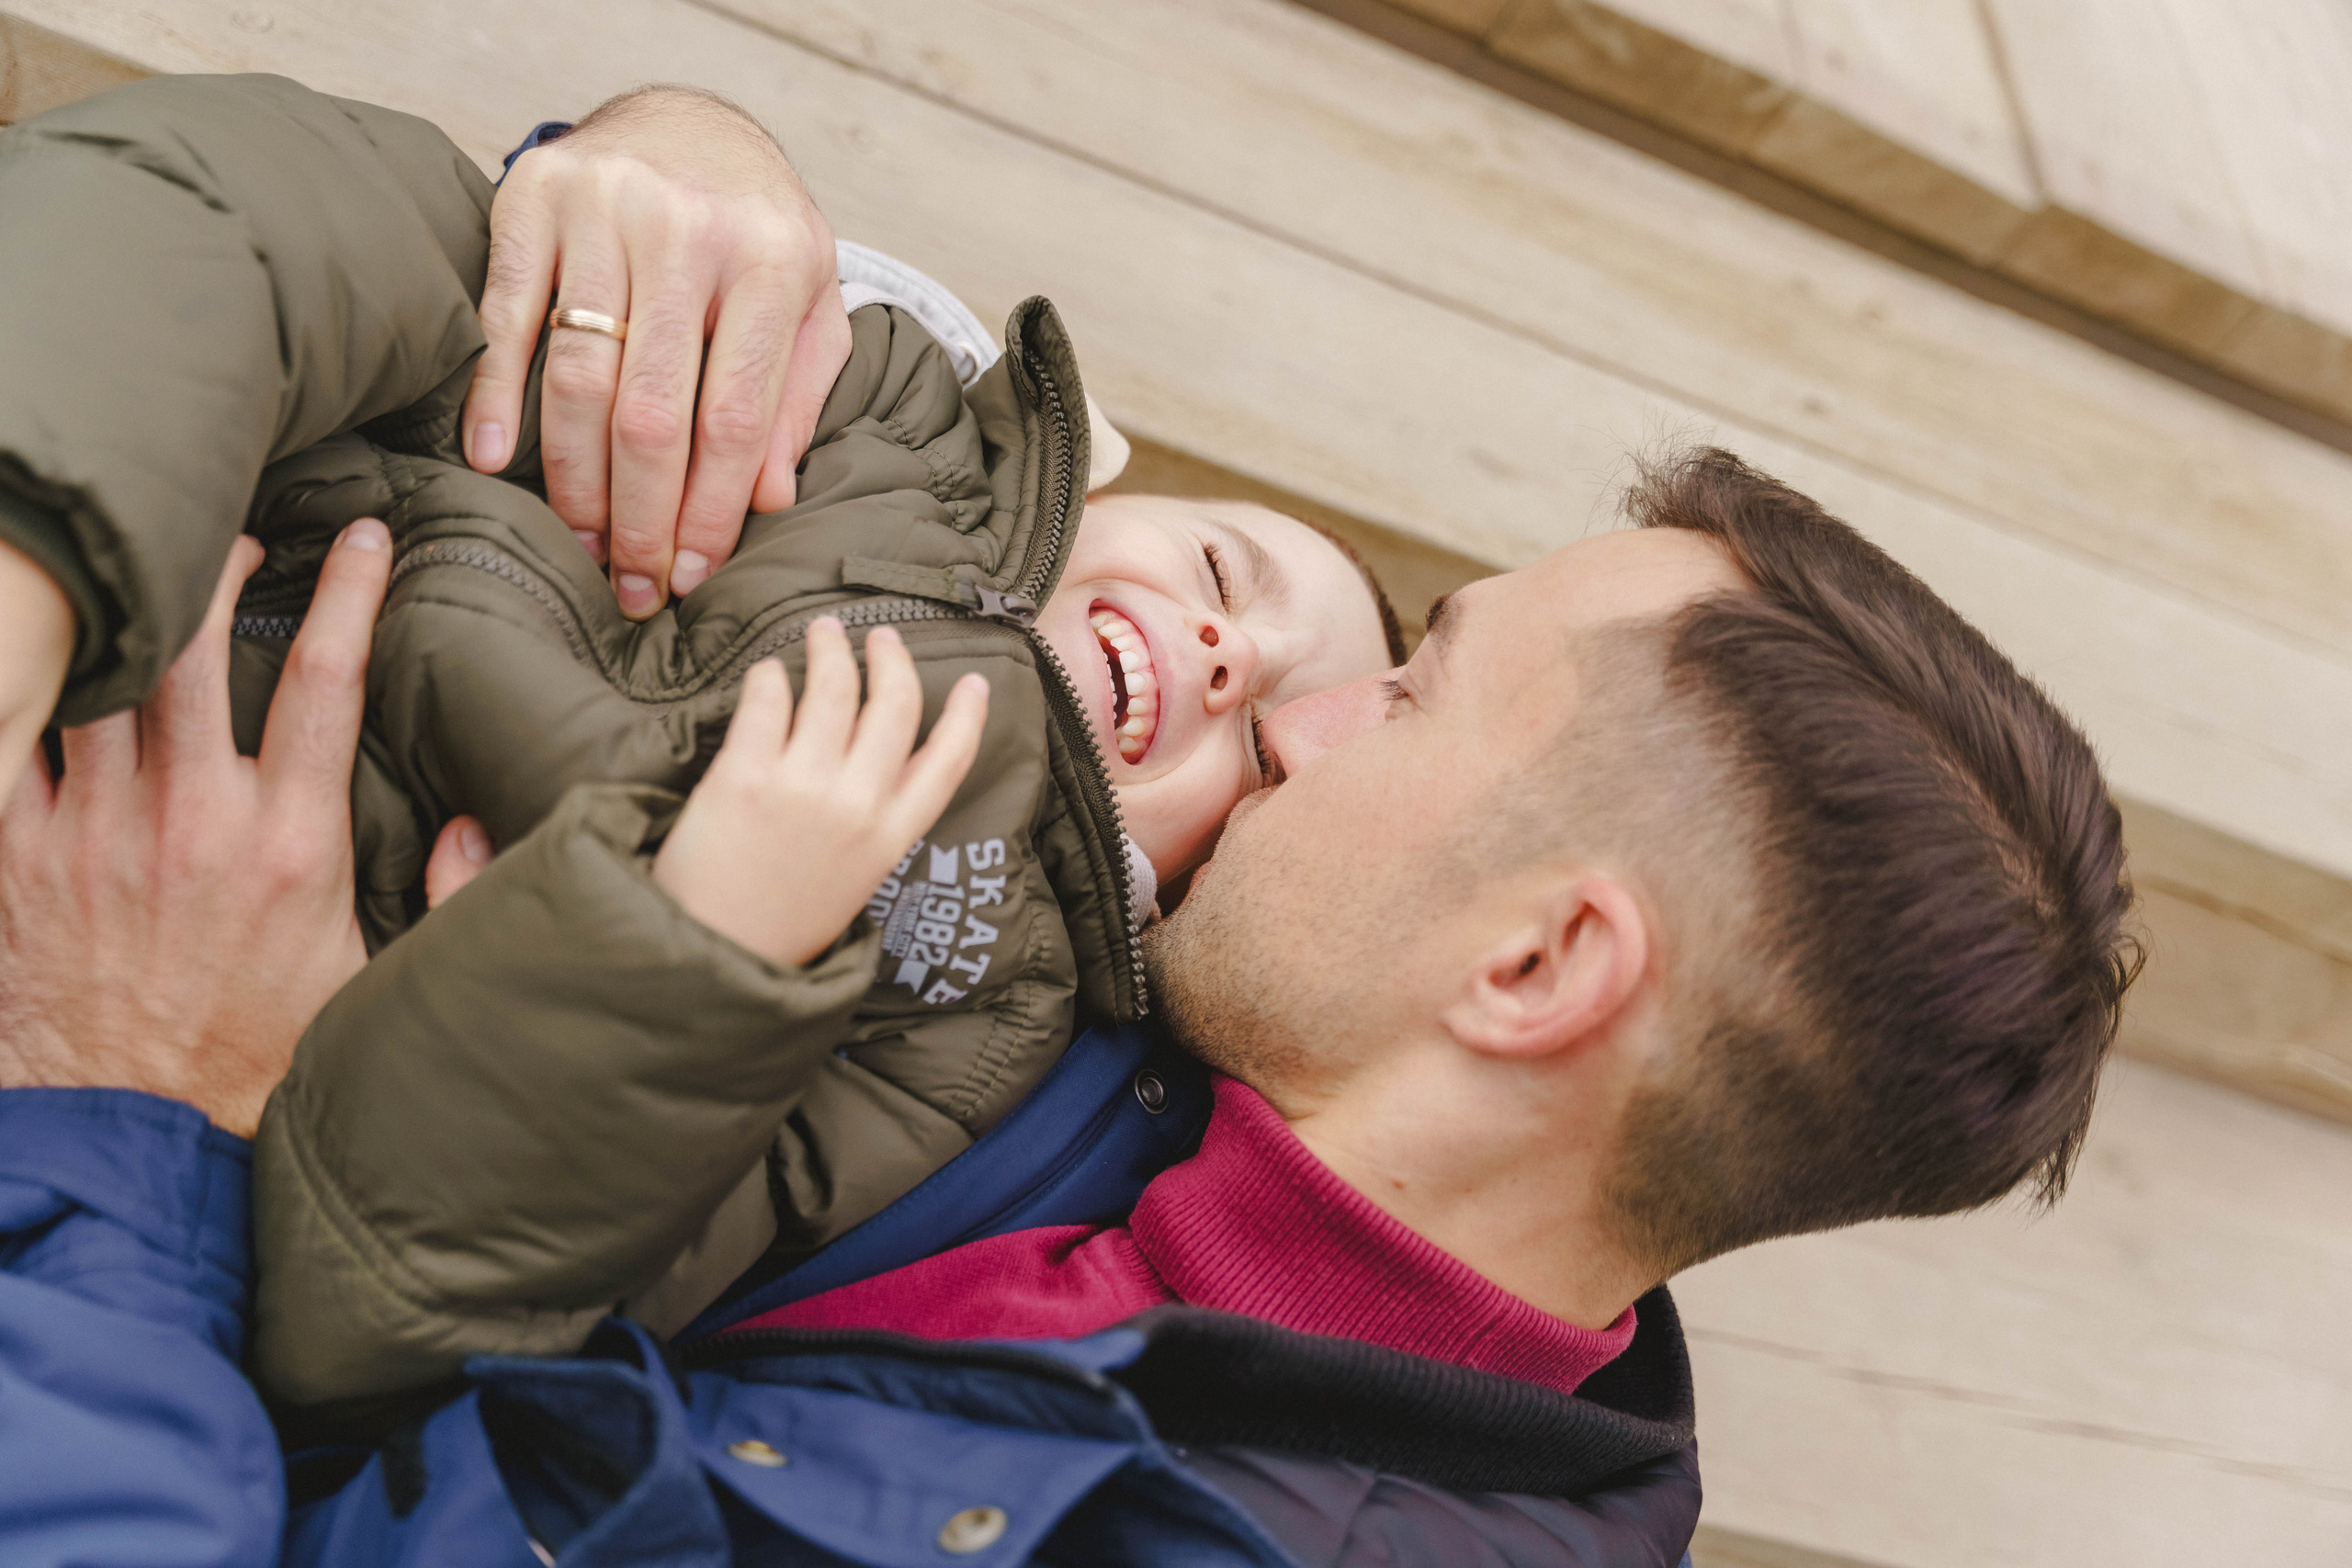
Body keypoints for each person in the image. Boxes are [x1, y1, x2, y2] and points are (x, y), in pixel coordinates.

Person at [0, 73, 1398, 1409]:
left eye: (1265, 751)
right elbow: (302, 217)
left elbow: (430, 1291)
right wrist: (35, 564)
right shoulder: (862, 398)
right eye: (1224, 573)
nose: (1229, 655)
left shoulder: (967, 1019)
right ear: (1095, 495)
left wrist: (691, 950)